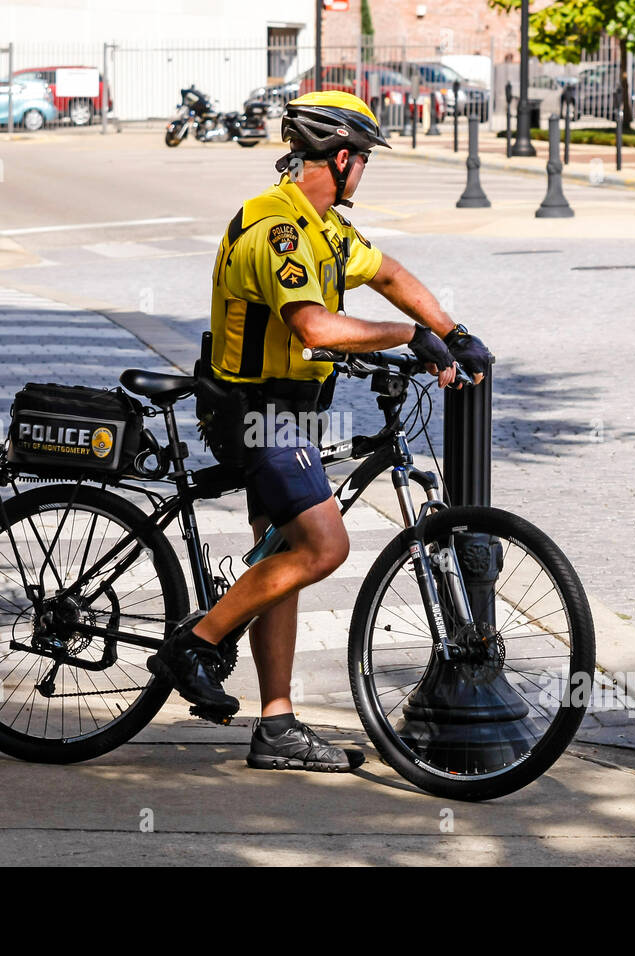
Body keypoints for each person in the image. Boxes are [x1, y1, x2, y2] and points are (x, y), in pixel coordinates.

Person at [148, 90, 493, 772]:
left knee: (281, 560)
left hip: (288, 409)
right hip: (254, 413)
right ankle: (194, 645)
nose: (362, 172)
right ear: (339, 158)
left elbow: (387, 272)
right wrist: (411, 336)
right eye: (361, 160)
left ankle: (276, 728)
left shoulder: (324, 225)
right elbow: (314, 325)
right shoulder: (278, 229)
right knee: (324, 545)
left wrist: (454, 331)